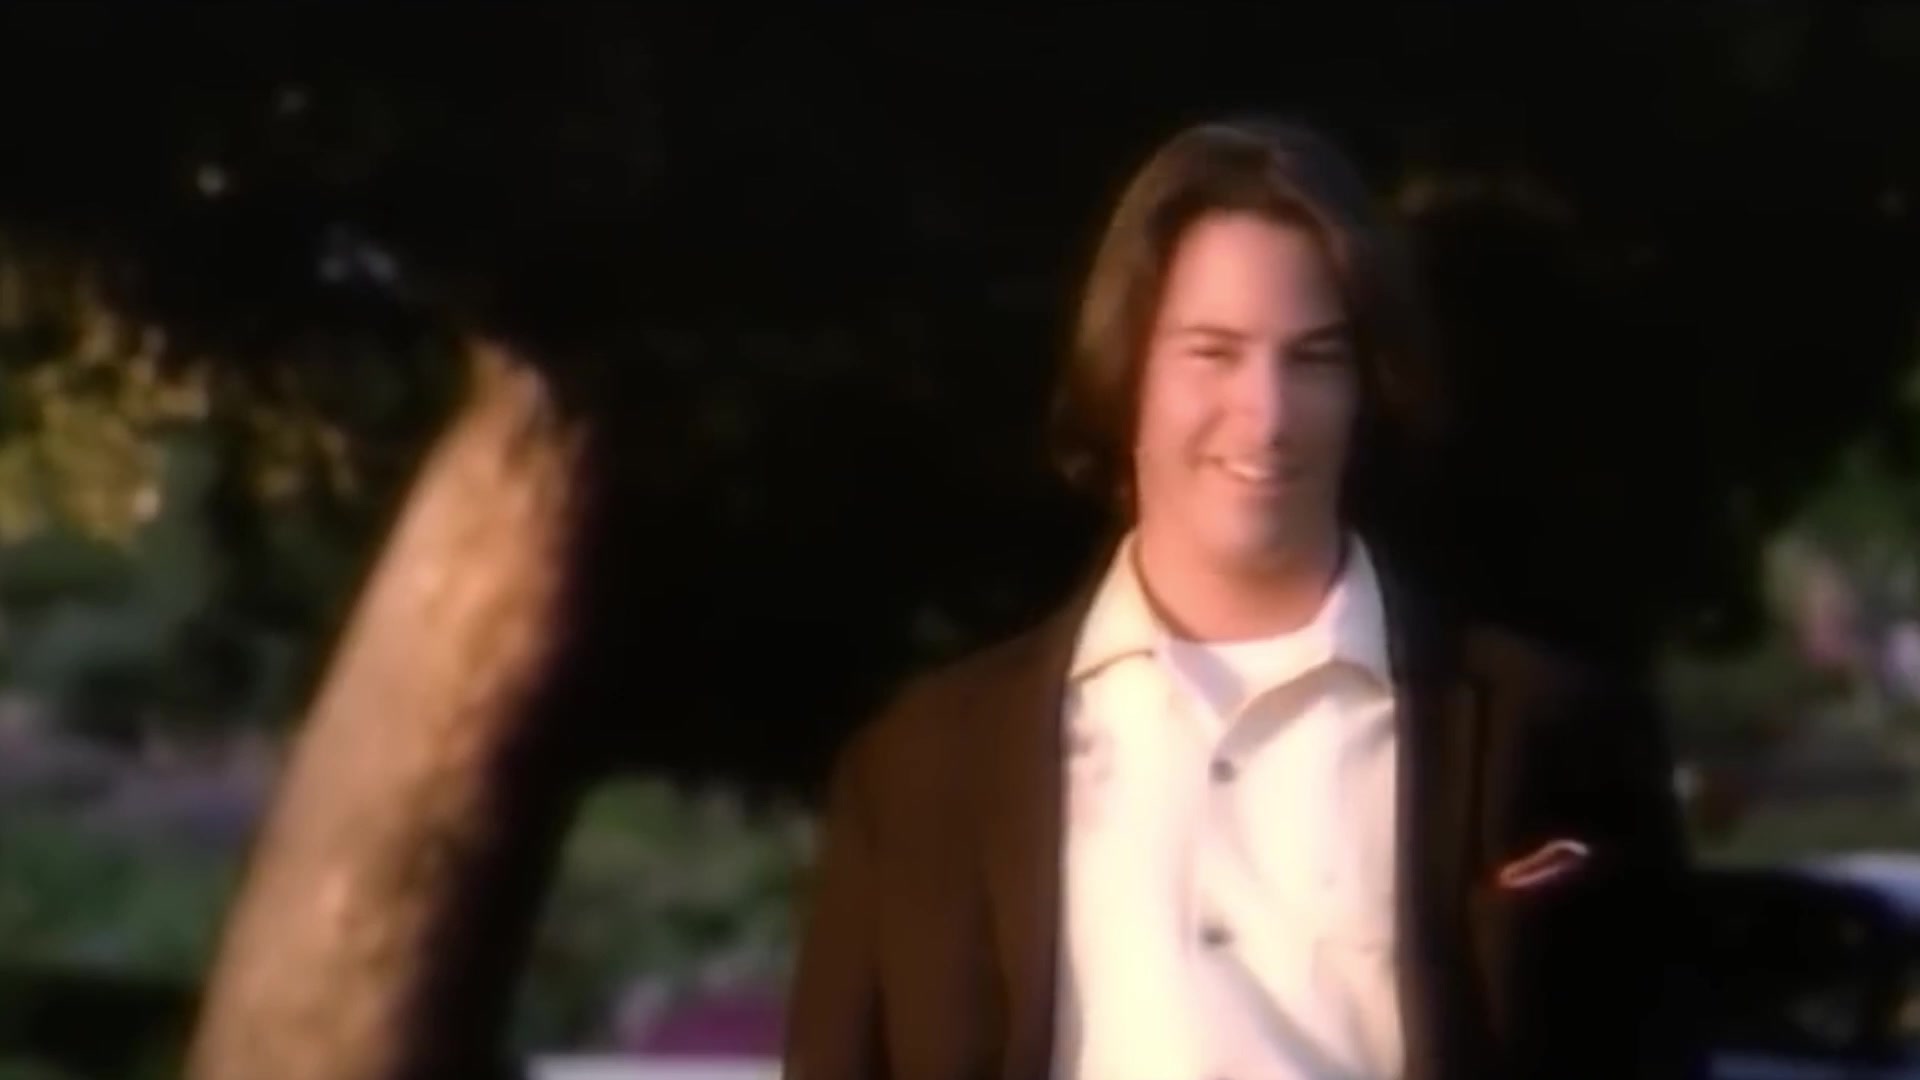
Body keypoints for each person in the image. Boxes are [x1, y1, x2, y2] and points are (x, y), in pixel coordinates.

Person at [784, 117, 1701, 1080]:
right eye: (1213, 353)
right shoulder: (922, 768)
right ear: (1126, 375)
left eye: (1314, 358)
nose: (1265, 416)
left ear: (1367, 387)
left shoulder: (1553, 734)